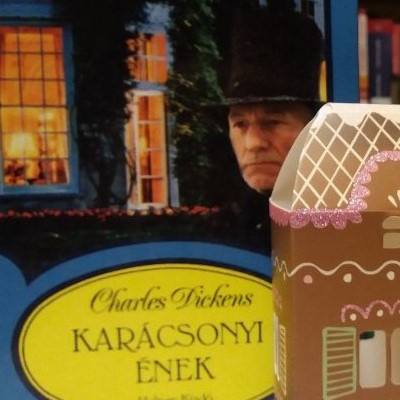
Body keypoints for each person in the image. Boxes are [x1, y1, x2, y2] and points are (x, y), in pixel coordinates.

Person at [214, 0, 324, 251]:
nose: (253, 143)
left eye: (272, 122)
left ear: (314, 129)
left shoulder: (349, 224)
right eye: (240, 124)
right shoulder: (225, 231)